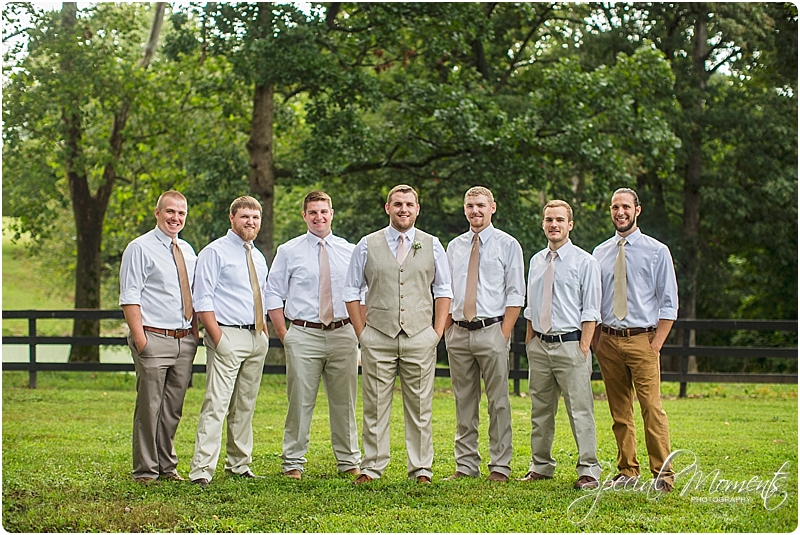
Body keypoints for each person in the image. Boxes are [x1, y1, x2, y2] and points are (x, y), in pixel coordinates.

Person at [344, 184, 452, 484]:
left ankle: (421, 469)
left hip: (420, 335)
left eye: (409, 204)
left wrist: (436, 332)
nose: (403, 209)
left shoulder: (432, 244)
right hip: (377, 335)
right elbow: (351, 290)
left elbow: (443, 290)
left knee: (420, 406)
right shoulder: (367, 244)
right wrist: (362, 332)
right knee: (375, 405)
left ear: (417, 209)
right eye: (397, 204)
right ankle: (372, 467)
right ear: (387, 208)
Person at [266, 191, 362, 480]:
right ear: (304, 216)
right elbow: (273, 293)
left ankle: (348, 460)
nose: (318, 217)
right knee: (299, 401)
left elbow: (361, 293)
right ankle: (293, 461)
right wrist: (285, 334)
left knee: (345, 401)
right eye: (312, 212)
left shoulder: (351, 250)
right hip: (304, 333)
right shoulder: (288, 251)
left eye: (323, 211)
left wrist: (361, 332)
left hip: (343, 333)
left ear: (332, 213)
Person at [592, 187, 678, 492]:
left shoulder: (657, 251)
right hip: (608, 341)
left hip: (643, 339)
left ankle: (663, 475)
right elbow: (594, 300)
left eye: (626, 207)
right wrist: (596, 341)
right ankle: (627, 470)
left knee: (651, 408)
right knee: (619, 411)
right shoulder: (599, 253)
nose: (620, 212)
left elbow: (669, 303)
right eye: (615, 207)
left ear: (637, 210)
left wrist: (656, 344)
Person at [519, 200, 602, 489]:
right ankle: (541, 465)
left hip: (571, 345)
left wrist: (583, 348)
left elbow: (591, 310)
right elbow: (531, 306)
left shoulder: (585, 262)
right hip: (540, 346)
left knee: (580, 410)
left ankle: (589, 470)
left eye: (559, 220)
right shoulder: (536, 261)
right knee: (540, 410)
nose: (553, 225)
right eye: (548, 220)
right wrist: (530, 342)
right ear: (543, 224)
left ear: (570, 225)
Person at [443, 186, 524, 483]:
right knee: (463, 401)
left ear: (493, 207)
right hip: (459, 333)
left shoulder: (508, 245)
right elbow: (445, 290)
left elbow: (516, 294)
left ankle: (500, 465)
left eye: (480, 205)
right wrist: (448, 329)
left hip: (492, 330)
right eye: (469, 206)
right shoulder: (454, 246)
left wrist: (503, 334)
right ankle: (465, 464)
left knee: (498, 401)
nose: (474, 211)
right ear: (464, 209)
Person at [188, 196, 270, 487]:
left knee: (245, 404)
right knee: (217, 403)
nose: (251, 222)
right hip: (227, 334)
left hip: (255, 335)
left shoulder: (257, 255)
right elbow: (202, 298)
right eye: (245, 216)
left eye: (255, 218)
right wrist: (217, 336)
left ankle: (239, 464)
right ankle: (201, 469)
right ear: (232, 218)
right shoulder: (215, 252)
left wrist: (263, 331)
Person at [120, 190, 198, 484]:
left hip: (184, 340)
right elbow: (130, 296)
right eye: (170, 212)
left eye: (181, 213)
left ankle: (167, 466)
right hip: (153, 337)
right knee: (149, 407)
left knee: (172, 409)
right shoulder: (139, 248)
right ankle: (145, 470)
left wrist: (194, 333)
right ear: (157, 213)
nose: (175, 218)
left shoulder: (188, 251)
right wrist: (141, 340)